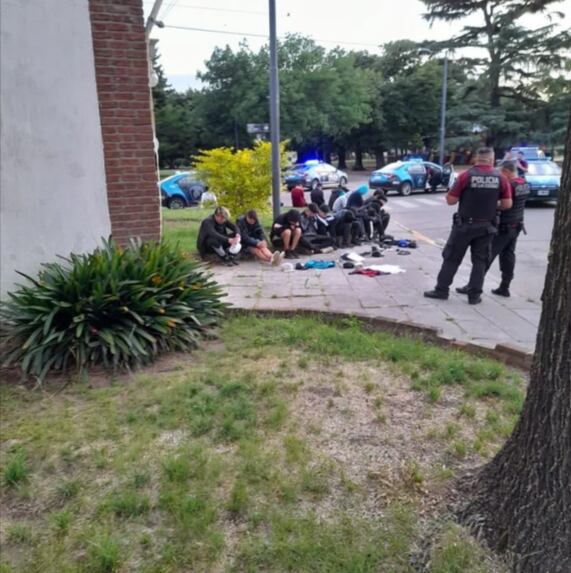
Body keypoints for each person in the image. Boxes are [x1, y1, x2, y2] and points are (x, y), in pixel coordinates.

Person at [424, 147, 513, 305]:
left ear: (476, 159)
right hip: (487, 227)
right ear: (492, 160)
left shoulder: (466, 176)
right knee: (480, 261)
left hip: (464, 226)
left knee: (451, 258)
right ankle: (474, 296)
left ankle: (441, 290)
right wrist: (493, 205)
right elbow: (507, 204)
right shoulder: (501, 178)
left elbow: (451, 200)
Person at [455, 160, 530, 297]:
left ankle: (473, 287)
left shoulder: (510, 185)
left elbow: (504, 204)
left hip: (504, 227)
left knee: (485, 258)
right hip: (517, 225)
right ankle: (504, 286)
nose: (498, 175)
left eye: (500, 172)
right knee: (508, 256)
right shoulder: (523, 183)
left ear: (507, 172)